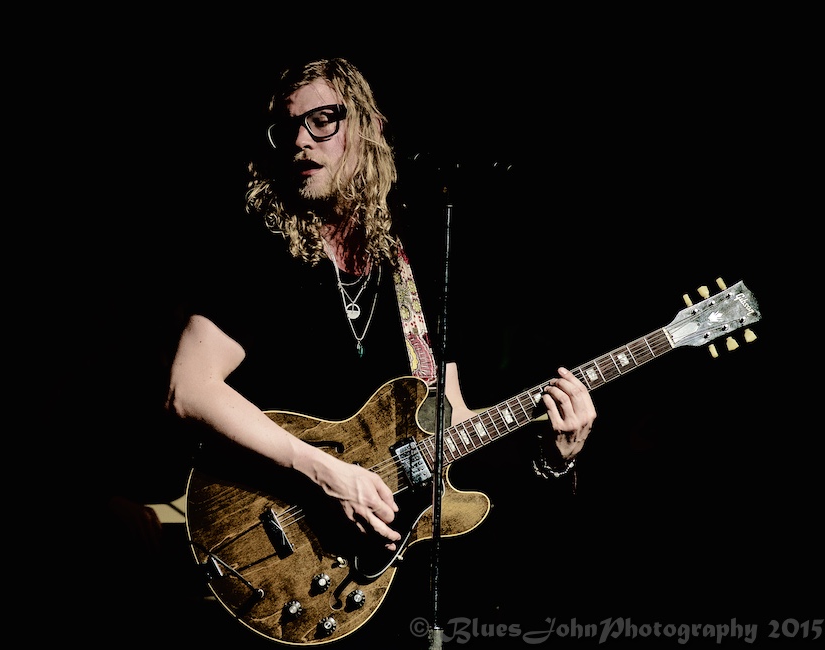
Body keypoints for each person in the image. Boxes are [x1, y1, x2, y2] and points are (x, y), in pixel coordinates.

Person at [164, 56, 597, 640]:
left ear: (367, 128)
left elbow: (450, 423)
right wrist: (325, 473)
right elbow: (188, 389)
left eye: (323, 120)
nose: (300, 140)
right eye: (287, 128)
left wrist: (553, 455)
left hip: (376, 580)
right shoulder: (258, 252)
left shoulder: (409, 263)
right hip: (268, 535)